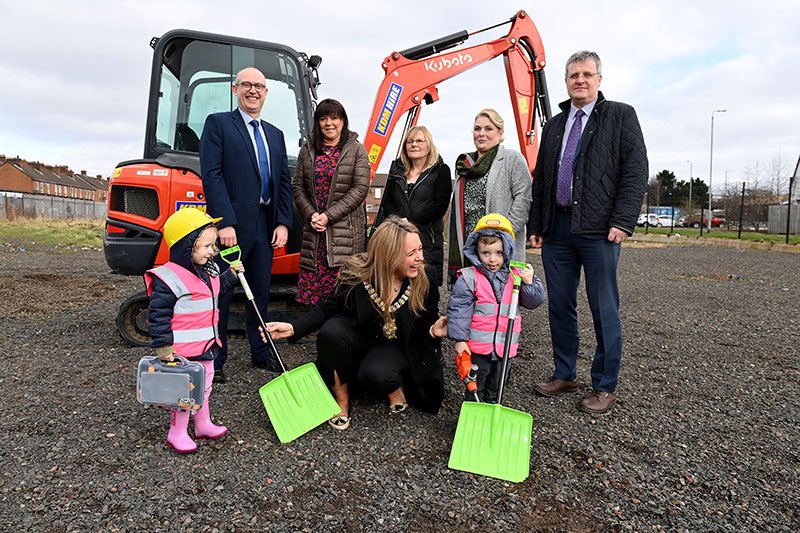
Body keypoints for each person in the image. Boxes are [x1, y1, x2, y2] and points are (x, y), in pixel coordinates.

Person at [527, 51, 648, 414]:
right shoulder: (555, 125)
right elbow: (543, 179)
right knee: (560, 306)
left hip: (600, 230)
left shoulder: (620, 116)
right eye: (573, 75)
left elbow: (636, 171)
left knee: (603, 307)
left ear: (599, 79)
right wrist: (537, 225)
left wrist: (623, 221)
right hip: (558, 229)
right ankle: (565, 373)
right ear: (565, 81)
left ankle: (605, 385)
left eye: (587, 74)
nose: (580, 80)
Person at [264, 217, 448, 431]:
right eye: (411, 254)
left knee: (377, 375)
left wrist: (433, 332)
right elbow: (327, 308)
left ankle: (393, 385)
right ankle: (341, 401)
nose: (420, 258)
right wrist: (294, 328)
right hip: (359, 338)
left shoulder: (426, 278)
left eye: (420, 249)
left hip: (393, 347)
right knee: (331, 331)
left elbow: (426, 325)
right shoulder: (357, 274)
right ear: (388, 255)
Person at [199, 67, 294, 382]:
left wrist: (282, 222)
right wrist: (224, 222)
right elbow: (212, 175)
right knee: (223, 293)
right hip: (233, 227)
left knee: (261, 292)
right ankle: (217, 359)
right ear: (235, 90)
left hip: (266, 224)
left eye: (259, 86)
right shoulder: (219, 125)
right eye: (247, 85)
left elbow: (283, 182)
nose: (253, 90)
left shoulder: (276, 135)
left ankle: (260, 352)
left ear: (266, 93)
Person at [144, 208, 243, 453]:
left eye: (213, 246)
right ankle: (176, 433)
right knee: (181, 394)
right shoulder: (168, 278)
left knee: (204, 386)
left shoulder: (207, 271)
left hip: (206, 347)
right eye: (207, 246)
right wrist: (164, 347)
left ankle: (202, 424)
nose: (213, 251)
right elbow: (158, 316)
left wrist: (230, 276)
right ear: (186, 246)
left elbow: (215, 293)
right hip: (181, 352)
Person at [447, 213, 545, 402]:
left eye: (499, 253)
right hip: (477, 348)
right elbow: (459, 311)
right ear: (476, 251)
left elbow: (534, 302)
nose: (493, 259)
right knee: (476, 385)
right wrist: (460, 340)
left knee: (498, 386)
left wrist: (530, 283)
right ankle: (474, 413)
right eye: (486, 253)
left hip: (505, 348)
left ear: (508, 250)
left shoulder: (516, 275)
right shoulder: (469, 278)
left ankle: (493, 408)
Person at [292, 99, 370, 305]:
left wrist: (329, 216)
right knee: (315, 299)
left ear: (343, 121)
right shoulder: (308, 150)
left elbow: (360, 188)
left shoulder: (356, 150)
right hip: (315, 232)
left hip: (344, 234)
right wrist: (312, 216)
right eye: (323, 118)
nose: (329, 123)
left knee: (343, 293)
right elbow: (298, 187)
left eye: (334, 117)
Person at [448, 108, 531, 285]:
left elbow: (523, 199)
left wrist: (502, 237)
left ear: (500, 133)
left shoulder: (512, 159)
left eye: (488, 129)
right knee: (468, 300)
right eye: (477, 129)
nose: (481, 134)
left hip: (498, 250)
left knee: (500, 303)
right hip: (469, 247)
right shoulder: (465, 164)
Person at [380, 126, 451, 287]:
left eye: (419, 140)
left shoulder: (441, 170)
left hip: (427, 240)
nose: (414, 144)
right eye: (410, 141)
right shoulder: (396, 171)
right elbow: (386, 202)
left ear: (429, 146)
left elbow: (440, 206)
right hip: (397, 239)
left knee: (425, 287)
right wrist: (398, 223)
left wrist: (410, 223)